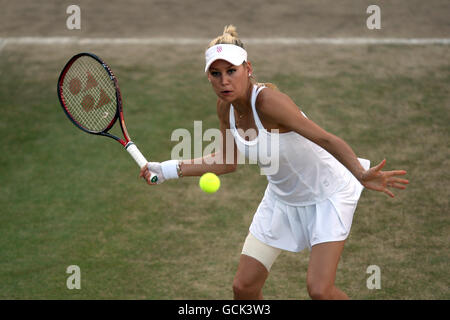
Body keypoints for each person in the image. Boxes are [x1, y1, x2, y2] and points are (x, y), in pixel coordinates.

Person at [139, 25, 409, 300]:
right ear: (208, 77)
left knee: (320, 291)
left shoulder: (269, 102)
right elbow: (226, 161)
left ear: (248, 69)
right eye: (215, 74)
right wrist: (169, 169)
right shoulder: (225, 108)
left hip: (327, 195)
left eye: (231, 71)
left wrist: (361, 173)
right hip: (281, 200)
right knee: (243, 288)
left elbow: (326, 139)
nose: (224, 81)